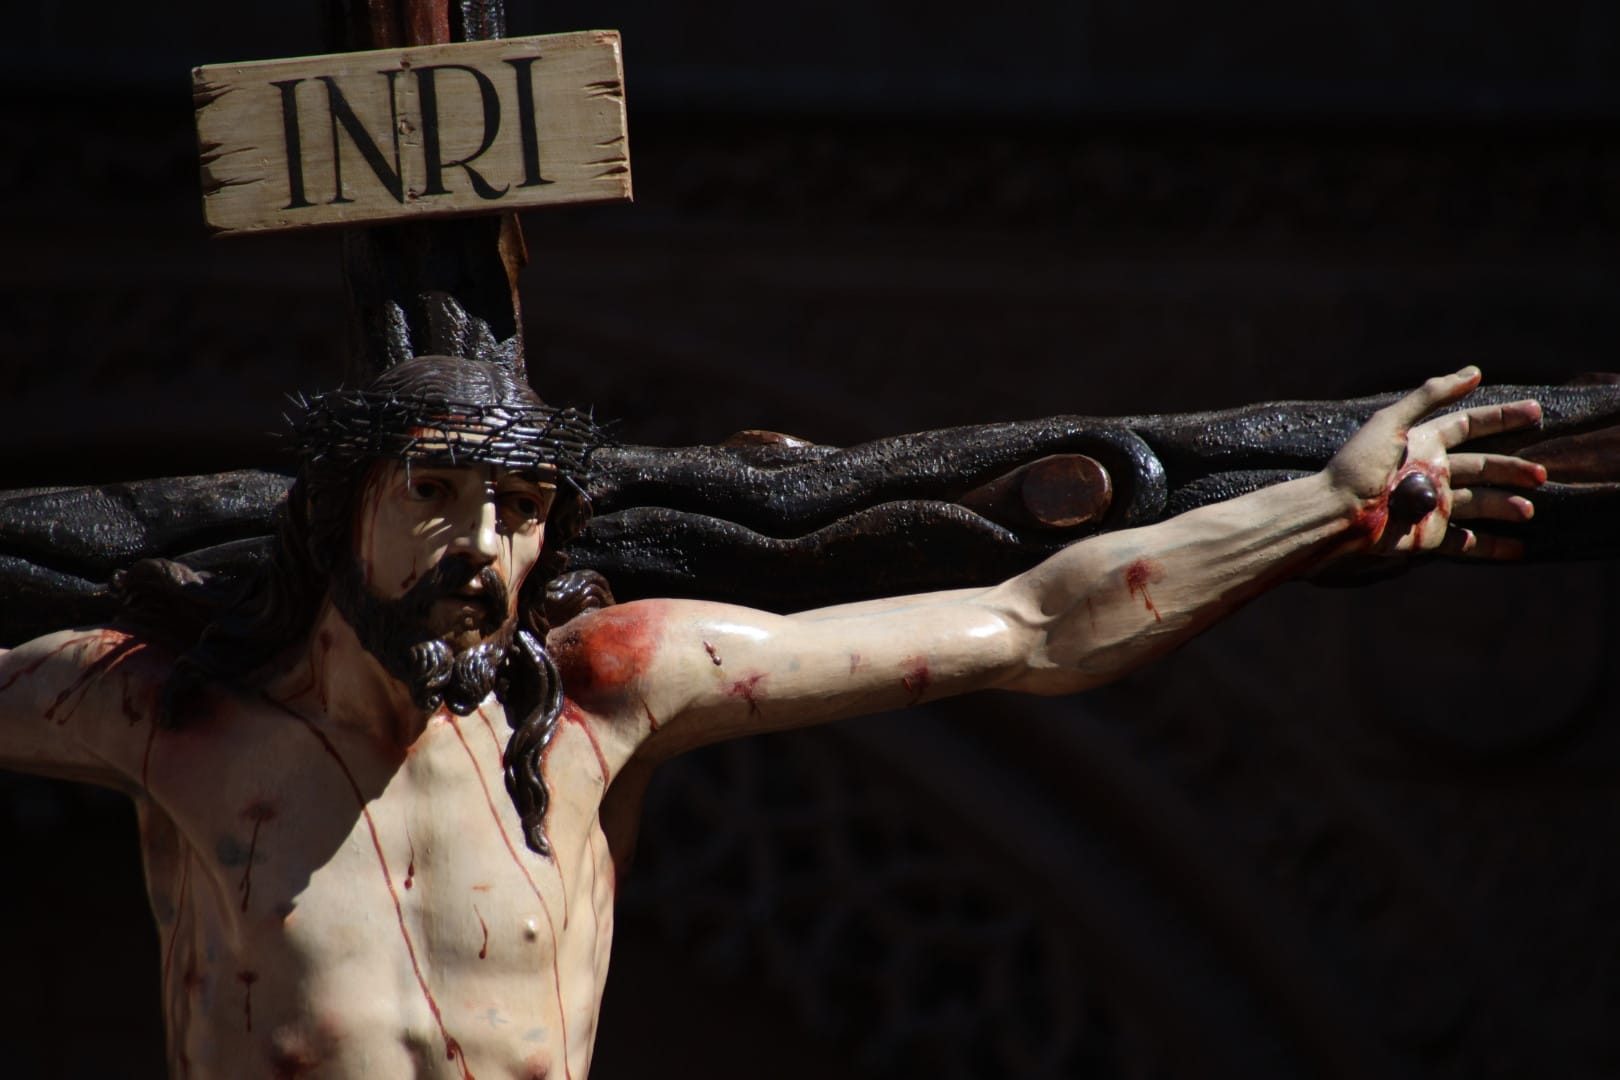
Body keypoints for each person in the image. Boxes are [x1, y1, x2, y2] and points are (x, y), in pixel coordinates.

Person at [0, 355, 1546, 1080]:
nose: (480, 545)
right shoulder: (169, 716)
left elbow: (1032, 625)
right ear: (339, 514)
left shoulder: (613, 692)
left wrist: (1319, 513)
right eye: (435, 496)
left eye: (519, 508)